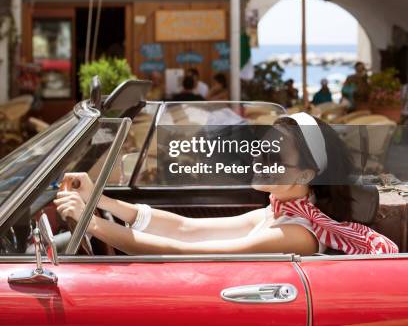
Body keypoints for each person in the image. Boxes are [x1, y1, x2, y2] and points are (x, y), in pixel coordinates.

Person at [54, 113, 397, 257]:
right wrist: (99, 195)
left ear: (305, 175)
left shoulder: (297, 233)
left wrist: (93, 223)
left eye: (274, 156)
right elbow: (187, 228)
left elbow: (184, 253)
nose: (260, 158)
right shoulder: (278, 212)